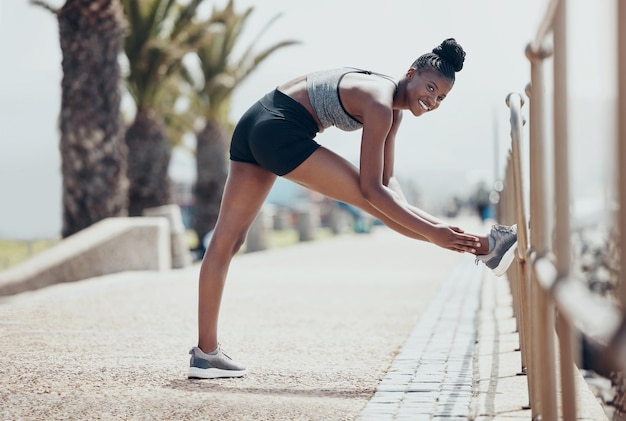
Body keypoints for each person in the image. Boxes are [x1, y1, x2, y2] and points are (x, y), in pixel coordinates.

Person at [187, 38, 518, 380]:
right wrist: (434, 232)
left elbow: (388, 186)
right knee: (368, 199)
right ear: (411, 74)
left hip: (256, 120)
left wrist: (425, 224)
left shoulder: (391, 111)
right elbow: (373, 192)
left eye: (441, 97)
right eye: (430, 87)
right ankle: (486, 247)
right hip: (279, 129)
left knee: (228, 240)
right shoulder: (379, 103)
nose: (432, 100)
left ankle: (206, 353)